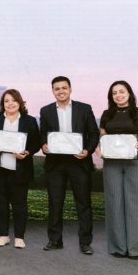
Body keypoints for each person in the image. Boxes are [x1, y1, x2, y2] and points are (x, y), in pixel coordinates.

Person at [39, 76, 99, 255]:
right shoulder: (46, 110)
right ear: (53, 91)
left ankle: (85, 243)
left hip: (79, 162)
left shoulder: (84, 108)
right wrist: (44, 145)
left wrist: (87, 151)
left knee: (83, 203)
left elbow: (94, 134)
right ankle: (55, 240)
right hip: (55, 164)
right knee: (55, 203)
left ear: (70, 89)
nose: (61, 91)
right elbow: (43, 134)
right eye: (57, 88)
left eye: (64, 88)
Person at [97, 80, 138, 259]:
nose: (118, 95)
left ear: (129, 93)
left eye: (122, 91)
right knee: (114, 201)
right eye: (114, 93)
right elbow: (103, 138)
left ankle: (137, 249)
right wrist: (100, 149)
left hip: (136, 159)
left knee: (137, 202)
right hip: (112, 161)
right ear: (111, 97)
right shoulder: (106, 114)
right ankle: (118, 247)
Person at [0, 89, 40, 249]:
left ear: (20, 102)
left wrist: (27, 152)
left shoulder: (29, 121)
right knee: (0, 204)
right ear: (2, 104)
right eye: (6, 101)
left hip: (20, 169)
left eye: (13, 100)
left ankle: (19, 237)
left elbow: (36, 143)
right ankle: (3, 235)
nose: (10, 104)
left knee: (20, 204)